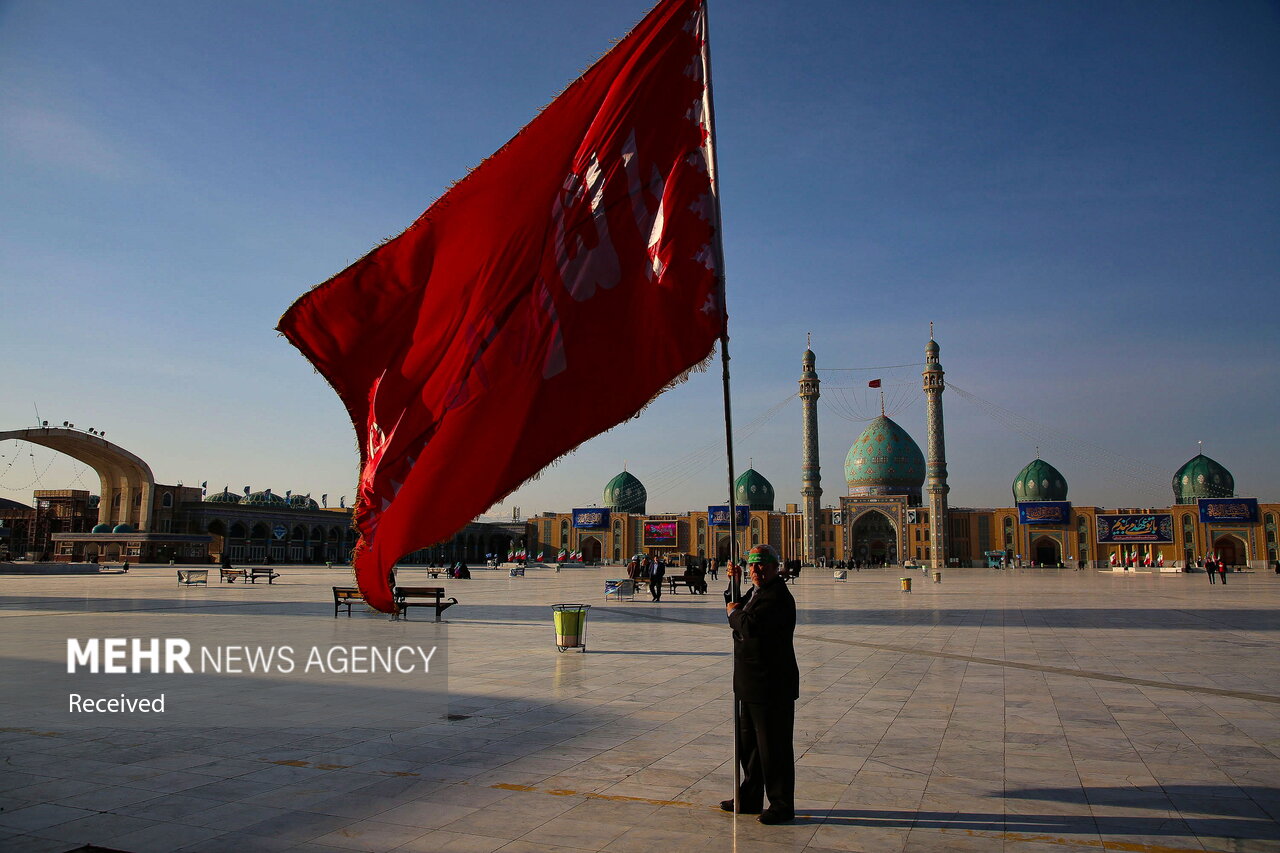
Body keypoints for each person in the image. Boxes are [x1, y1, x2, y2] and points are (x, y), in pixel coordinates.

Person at [722, 544, 797, 825]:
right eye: (752, 564)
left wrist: (732, 615)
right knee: (750, 746)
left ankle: (781, 804)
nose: (756, 569)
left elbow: (747, 624)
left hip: (771, 685)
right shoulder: (759, 592)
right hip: (751, 683)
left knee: (773, 747)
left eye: (762, 564)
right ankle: (750, 796)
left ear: (776, 567)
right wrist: (735, 583)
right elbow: (738, 606)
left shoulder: (777, 596)